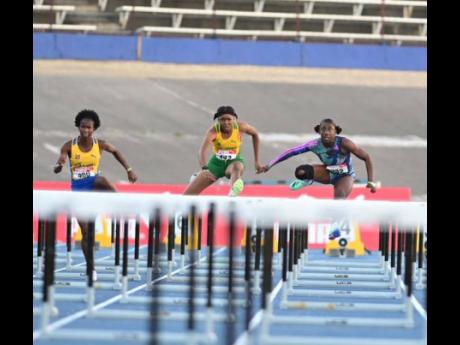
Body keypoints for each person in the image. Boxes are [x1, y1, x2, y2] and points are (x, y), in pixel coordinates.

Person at [258, 118, 376, 239]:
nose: (326, 132)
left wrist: (370, 181)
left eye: (330, 129)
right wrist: (269, 165)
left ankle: (335, 225)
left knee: (340, 194)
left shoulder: (344, 143)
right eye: (323, 129)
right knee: (301, 171)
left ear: (336, 132)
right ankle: (308, 179)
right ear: (319, 132)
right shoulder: (314, 144)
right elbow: (292, 151)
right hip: (328, 171)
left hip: (345, 174)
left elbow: (366, 157)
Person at [53, 109, 138, 280]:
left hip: (94, 186)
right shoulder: (69, 145)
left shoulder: (100, 144)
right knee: (86, 232)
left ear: (94, 129)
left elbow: (116, 151)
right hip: (78, 191)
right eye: (83, 127)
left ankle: (120, 204)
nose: (85, 130)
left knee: (100, 179)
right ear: (79, 127)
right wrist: (59, 165)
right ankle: (91, 268)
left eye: (89, 128)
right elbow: (62, 157)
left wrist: (129, 170)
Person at [184, 105, 264, 196]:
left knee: (237, 167)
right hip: (216, 163)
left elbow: (255, 134)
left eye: (229, 119)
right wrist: (204, 168)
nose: (226, 122)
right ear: (218, 120)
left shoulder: (241, 127)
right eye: (222, 119)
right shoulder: (213, 131)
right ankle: (198, 176)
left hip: (234, 160)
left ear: (234, 119)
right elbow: (202, 151)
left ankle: (234, 191)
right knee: (187, 196)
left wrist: (257, 161)